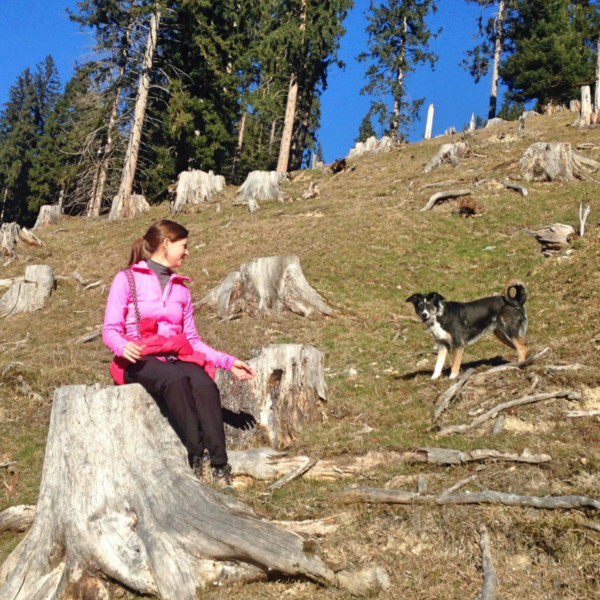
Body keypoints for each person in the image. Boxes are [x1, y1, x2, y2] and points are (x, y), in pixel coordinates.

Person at [103, 219, 256, 489]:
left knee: (204, 384)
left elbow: (193, 340)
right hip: (138, 357)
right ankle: (197, 456)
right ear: (166, 244)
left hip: (175, 355)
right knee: (174, 379)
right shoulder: (125, 279)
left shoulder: (182, 289)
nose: (187, 252)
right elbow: (110, 329)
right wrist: (122, 345)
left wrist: (228, 362)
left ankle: (220, 465)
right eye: (183, 246)